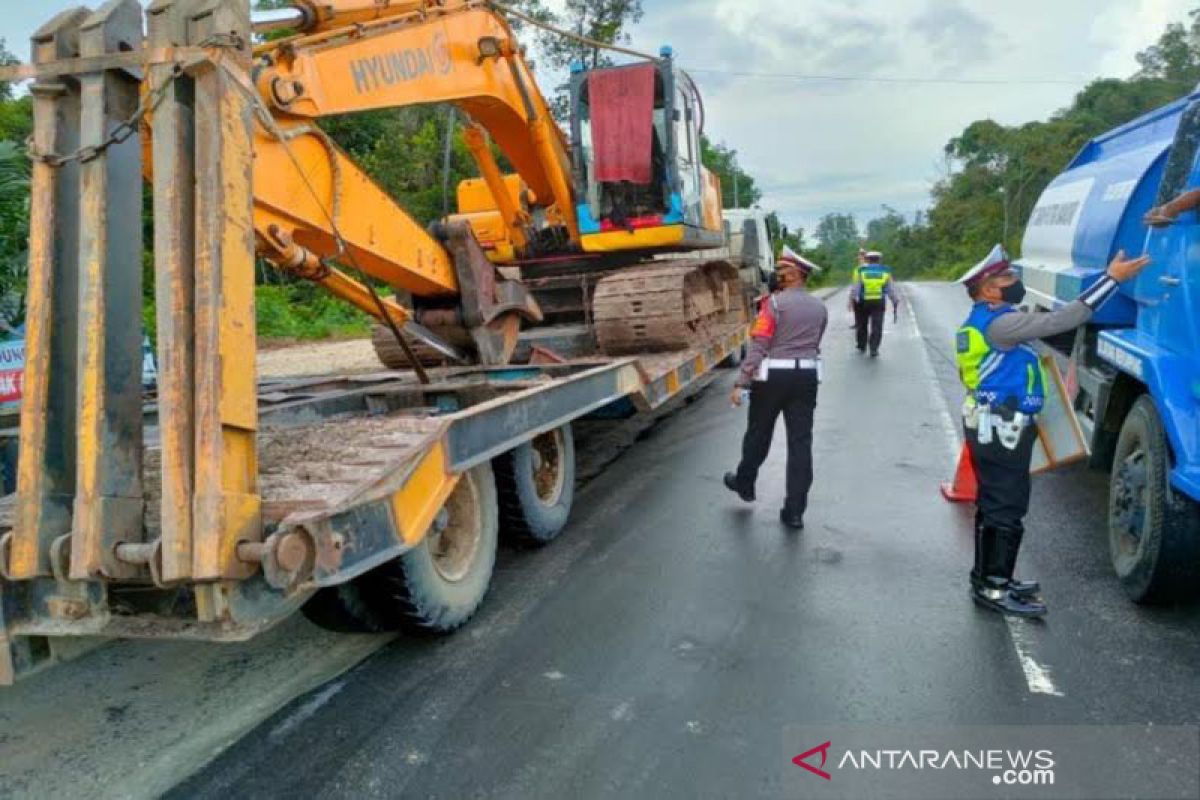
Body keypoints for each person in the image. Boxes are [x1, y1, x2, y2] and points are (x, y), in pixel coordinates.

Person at [955, 243, 1150, 617]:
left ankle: (990, 578)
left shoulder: (987, 319)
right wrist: (1111, 279)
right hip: (1001, 428)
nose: (1015, 282)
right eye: (1007, 278)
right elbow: (1064, 320)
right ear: (988, 289)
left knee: (995, 505)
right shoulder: (1001, 323)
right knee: (1006, 507)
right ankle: (994, 589)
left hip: (992, 425)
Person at [724, 246, 828, 529]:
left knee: (758, 434)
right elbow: (815, 342)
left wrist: (741, 382)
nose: (777, 275)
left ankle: (744, 484)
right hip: (806, 379)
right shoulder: (820, 307)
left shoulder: (774, 305)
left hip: (771, 380)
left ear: (796, 274)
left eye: (782, 271)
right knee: (800, 444)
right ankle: (794, 512)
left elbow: (760, 345)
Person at [849, 251, 899, 357]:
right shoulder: (885, 271)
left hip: (863, 301)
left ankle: (862, 345)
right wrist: (895, 300)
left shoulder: (861, 270)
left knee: (861, 324)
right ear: (879, 260)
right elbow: (890, 288)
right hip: (878, 301)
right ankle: (873, 348)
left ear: (868, 259)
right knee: (877, 326)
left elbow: (856, 287)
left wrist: (853, 299)